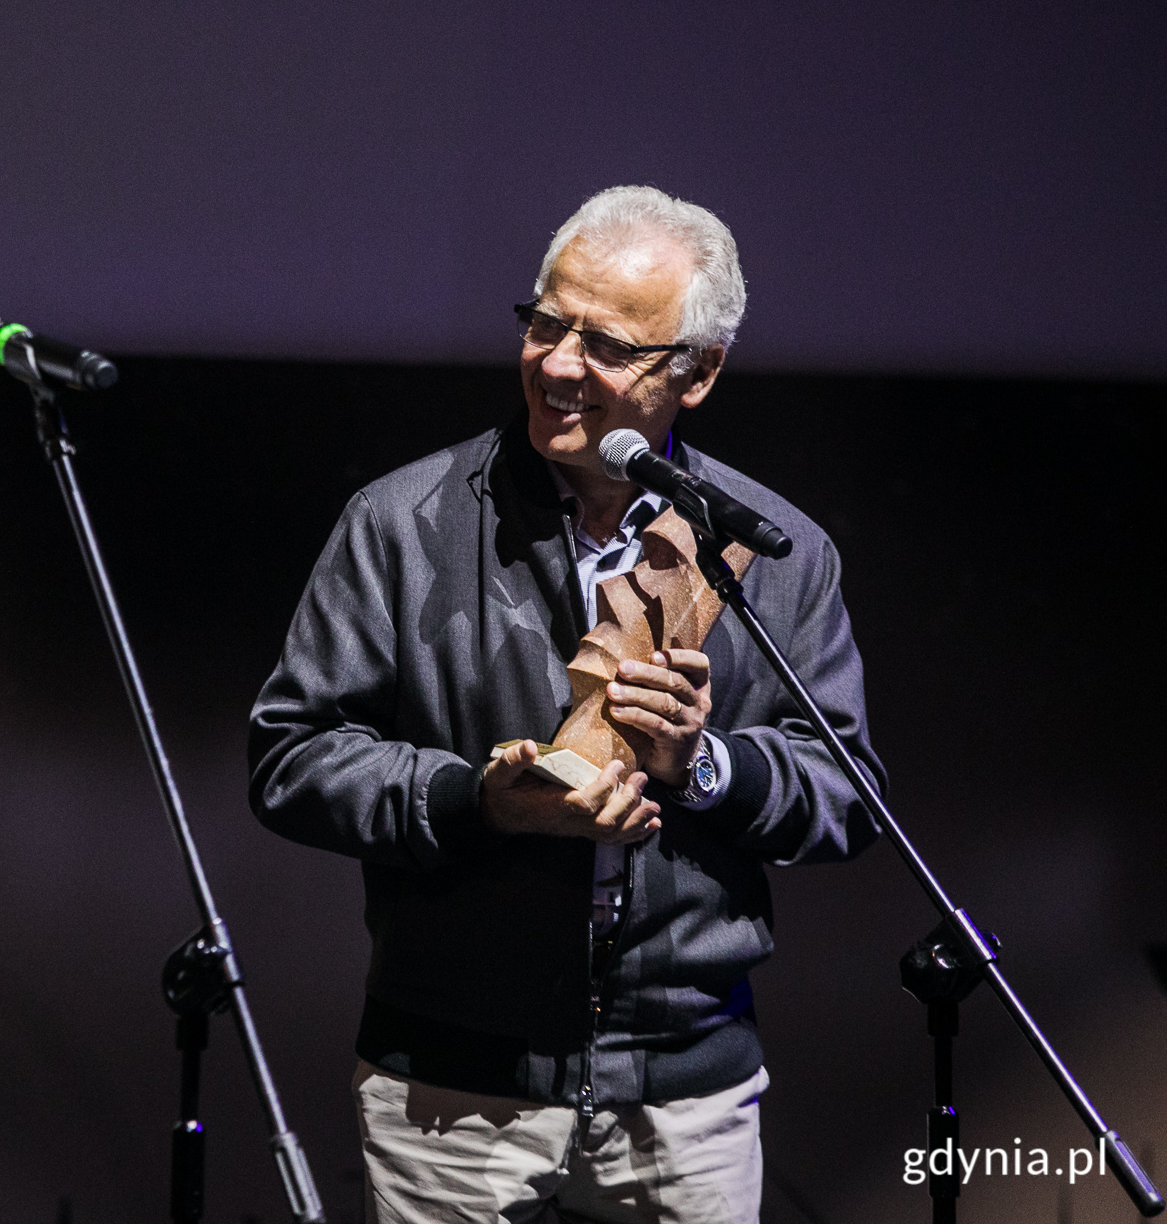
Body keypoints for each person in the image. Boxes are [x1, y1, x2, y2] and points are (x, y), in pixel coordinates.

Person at [249, 185, 886, 1222]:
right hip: (450, 1092)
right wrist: (478, 799)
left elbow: (846, 795)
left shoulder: (771, 548)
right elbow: (290, 758)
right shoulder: (402, 523)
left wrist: (702, 764)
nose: (555, 366)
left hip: (685, 1094)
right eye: (544, 324)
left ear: (697, 373)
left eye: (606, 346)